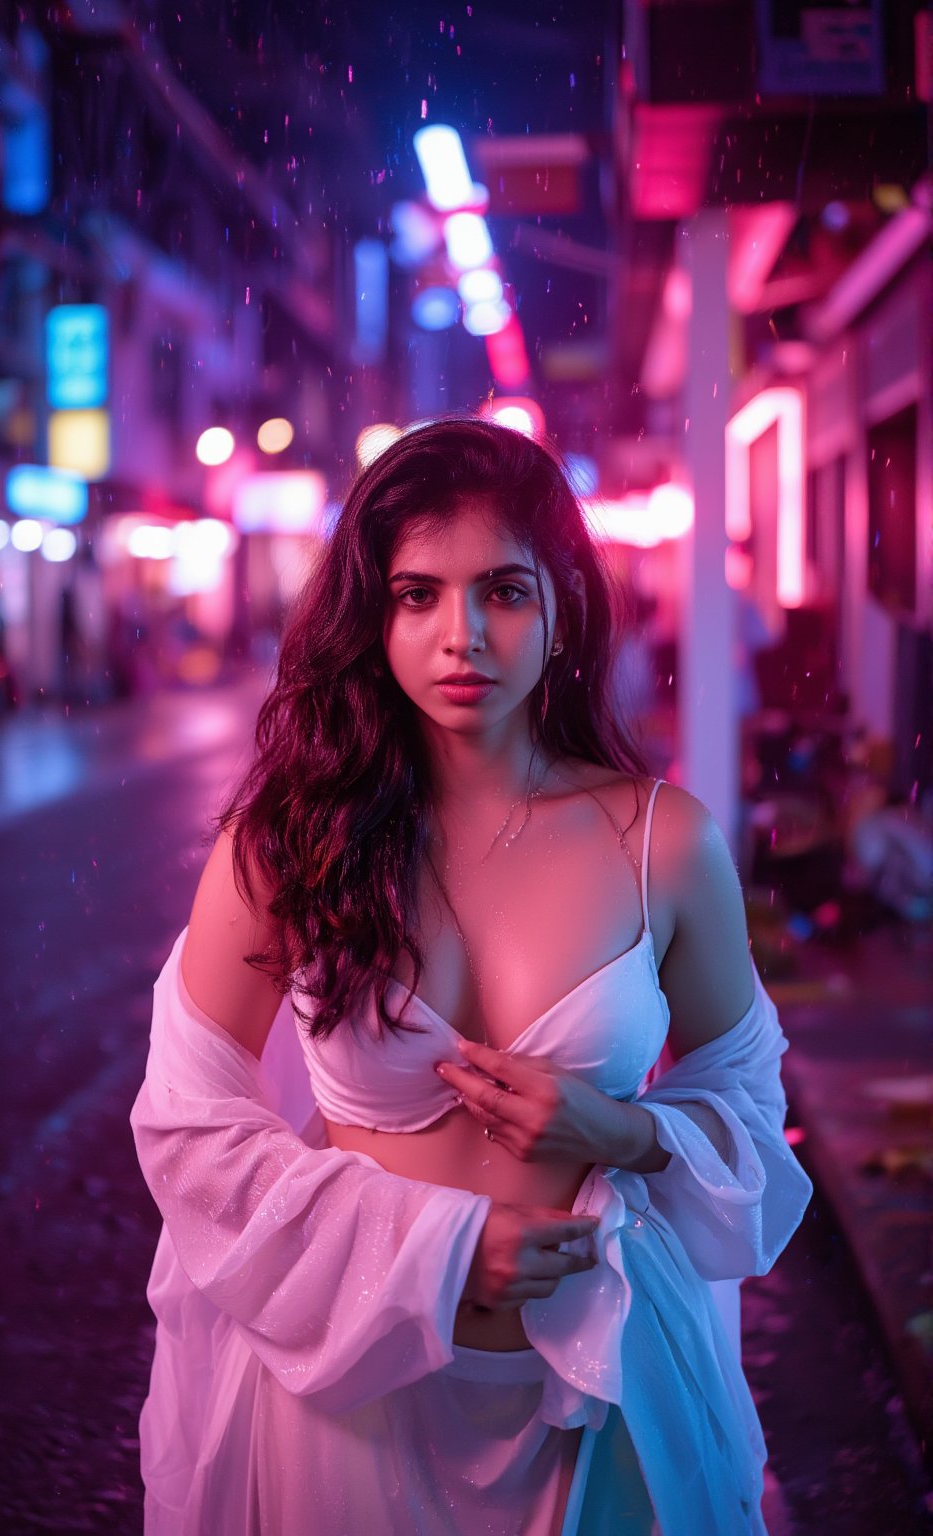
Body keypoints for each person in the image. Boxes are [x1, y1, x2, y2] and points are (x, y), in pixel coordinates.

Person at [131, 418, 812, 1535]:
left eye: (503, 590)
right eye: (416, 595)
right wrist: (438, 1252)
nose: (464, 637)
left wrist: (624, 1132)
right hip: (348, 1396)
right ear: (373, 615)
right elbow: (186, 1126)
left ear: (561, 610)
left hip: (607, 1389)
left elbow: (747, 1106)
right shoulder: (284, 846)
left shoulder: (662, 843)